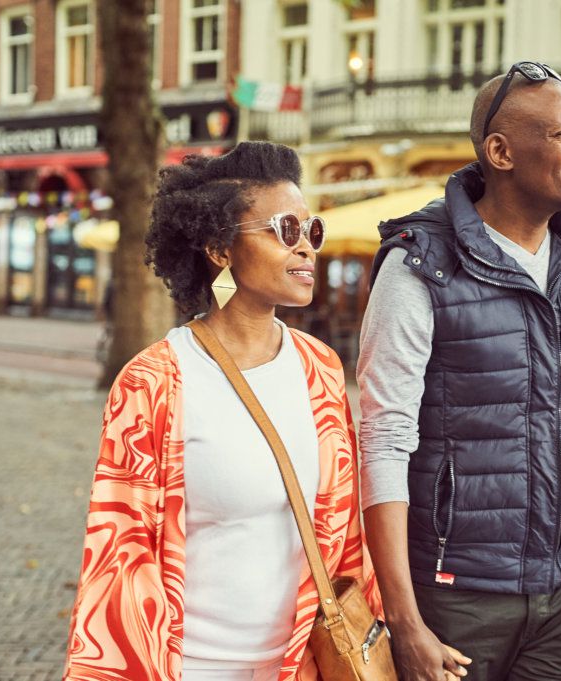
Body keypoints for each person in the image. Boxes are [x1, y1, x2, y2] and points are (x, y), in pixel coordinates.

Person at [64, 142, 380, 681]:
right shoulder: (153, 382)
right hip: (192, 668)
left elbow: (347, 539)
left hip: (303, 665)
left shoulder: (321, 370)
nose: (307, 248)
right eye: (286, 230)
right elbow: (120, 559)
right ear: (219, 249)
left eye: (313, 231)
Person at [357, 62, 561, 681]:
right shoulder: (420, 265)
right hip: (456, 593)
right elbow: (383, 441)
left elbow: (546, 387)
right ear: (500, 152)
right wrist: (405, 621)